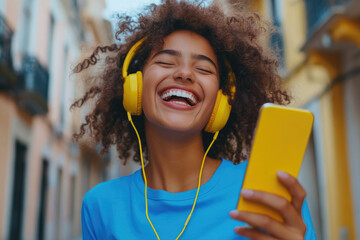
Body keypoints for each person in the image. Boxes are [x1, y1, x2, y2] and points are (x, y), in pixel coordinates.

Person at [72, 0, 316, 239]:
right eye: (166, 62)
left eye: (204, 69)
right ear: (133, 88)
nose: (185, 73)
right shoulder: (100, 206)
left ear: (220, 102)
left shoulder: (265, 194)